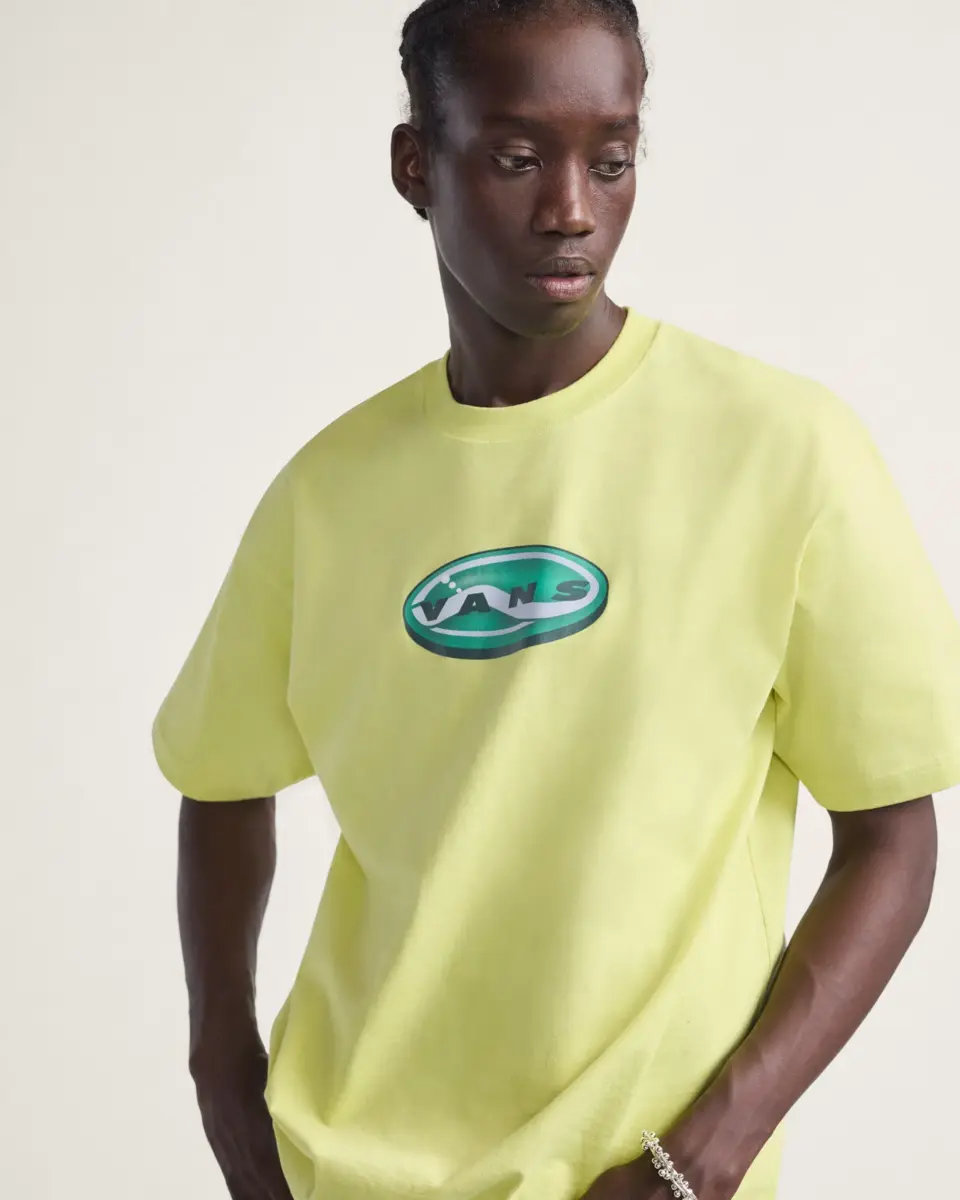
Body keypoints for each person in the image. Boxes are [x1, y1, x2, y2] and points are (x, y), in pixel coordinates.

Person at [151, 2, 960, 1198]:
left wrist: (705, 1153)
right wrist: (223, 1074)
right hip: (355, 1166)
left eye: (612, 158)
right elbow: (222, 779)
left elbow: (892, 840)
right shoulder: (326, 497)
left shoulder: (784, 454)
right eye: (519, 157)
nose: (572, 207)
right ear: (416, 166)